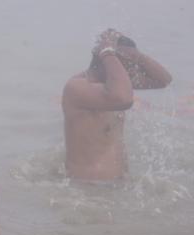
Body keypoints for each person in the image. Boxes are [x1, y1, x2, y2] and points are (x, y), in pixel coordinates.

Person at [62, 29, 172, 181]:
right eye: (128, 66)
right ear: (107, 61)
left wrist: (137, 56)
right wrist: (107, 51)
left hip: (117, 187)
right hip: (87, 191)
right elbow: (123, 99)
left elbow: (163, 80)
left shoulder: (115, 84)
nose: (132, 71)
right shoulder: (76, 88)